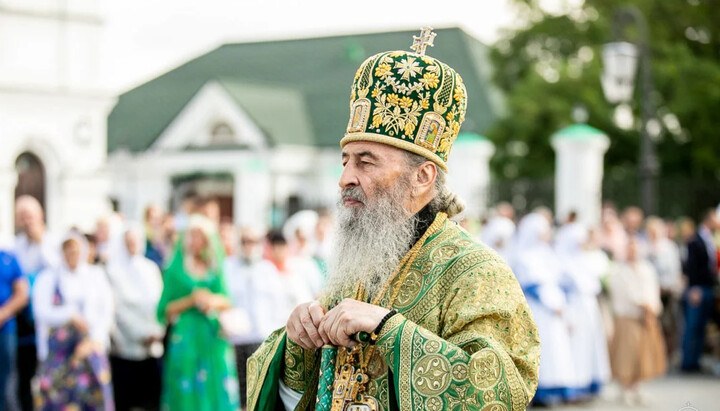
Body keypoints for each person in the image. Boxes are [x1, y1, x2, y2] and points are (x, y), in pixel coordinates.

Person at [246, 29, 539, 411]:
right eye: (345, 161)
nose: (345, 178)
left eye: (366, 161)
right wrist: (296, 342)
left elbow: (500, 392)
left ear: (423, 177)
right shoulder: (359, 265)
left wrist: (388, 329)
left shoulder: (476, 272)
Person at [156, 215, 240, 410]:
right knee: (185, 386)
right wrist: (191, 300)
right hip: (185, 337)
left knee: (215, 385)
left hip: (212, 336)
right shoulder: (176, 270)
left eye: (200, 236)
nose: (196, 241)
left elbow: (227, 299)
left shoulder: (215, 267)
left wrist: (210, 300)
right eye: (192, 236)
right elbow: (164, 309)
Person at [32, 235, 115, 409]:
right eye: (68, 251)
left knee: (93, 398)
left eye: (76, 251)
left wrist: (95, 339)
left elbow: (106, 310)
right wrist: (70, 315)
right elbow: (41, 311)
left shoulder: (95, 275)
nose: (72, 255)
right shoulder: (49, 277)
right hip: (58, 354)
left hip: (89, 348)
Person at [512, 213, 574, 406]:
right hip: (537, 311)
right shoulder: (524, 256)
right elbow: (531, 285)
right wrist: (551, 303)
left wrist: (561, 302)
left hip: (554, 309)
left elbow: (560, 278)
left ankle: (553, 389)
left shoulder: (547, 253)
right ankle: (536, 391)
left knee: (556, 348)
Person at [106, 226, 164, 411]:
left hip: (152, 347)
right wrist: (141, 335)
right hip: (126, 346)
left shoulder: (151, 268)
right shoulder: (113, 270)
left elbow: (160, 303)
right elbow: (118, 309)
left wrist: (156, 333)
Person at [555, 219, 610, 401]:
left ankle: (590, 382)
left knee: (590, 343)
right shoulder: (563, 261)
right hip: (574, 307)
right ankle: (576, 385)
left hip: (588, 307)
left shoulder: (586, 259)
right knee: (577, 346)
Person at [13, 195, 59, 411]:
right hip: (24, 319)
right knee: (23, 374)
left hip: (48, 320)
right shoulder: (16, 246)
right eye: (22, 217)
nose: (27, 222)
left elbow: (57, 272)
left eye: (29, 216)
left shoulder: (52, 242)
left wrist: (40, 240)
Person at [608, 236, 666, 406]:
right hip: (629, 317)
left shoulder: (647, 268)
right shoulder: (618, 270)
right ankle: (625, 387)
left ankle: (637, 386)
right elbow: (626, 292)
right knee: (627, 354)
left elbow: (653, 290)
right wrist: (643, 303)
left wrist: (652, 307)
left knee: (644, 354)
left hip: (646, 318)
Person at [224, 226, 269, 407]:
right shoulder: (227, 266)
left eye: (253, 241)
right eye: (245, 241)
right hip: (234, 338)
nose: (249, 246)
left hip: (260, 337)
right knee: (237, 391)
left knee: (258, 389)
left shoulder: (267, 269)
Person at [680, 209, 719, 372]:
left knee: (702, 325)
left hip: (708, 287)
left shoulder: (709, 239)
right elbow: (691, 266)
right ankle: (688, 362)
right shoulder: (695, 240)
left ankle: (695, 361)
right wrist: (694, 287)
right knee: (692, 326)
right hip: (697, 288)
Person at [0, 226, 29, 411]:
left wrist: (3, 314)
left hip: (5, 330)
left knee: (7, 382)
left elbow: (22, 293)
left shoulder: (9, 258)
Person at [646, 217, 683, 358]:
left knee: (669, 325)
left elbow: (675, 270)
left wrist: (666, 285)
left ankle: (669, 354)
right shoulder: (646, 247)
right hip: (651, 293)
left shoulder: (669, 247)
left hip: (667, 292)